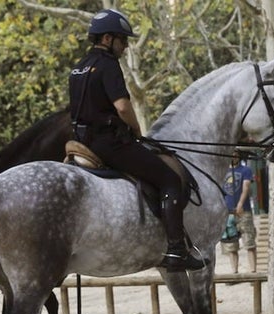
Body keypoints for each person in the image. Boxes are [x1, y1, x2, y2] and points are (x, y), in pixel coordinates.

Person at [68, 9, 206, 272]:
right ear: (107, 39)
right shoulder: (108, 65)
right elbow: (121, 106)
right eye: (123, 39)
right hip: (110, 142)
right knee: (170, 180)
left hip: (82, 140)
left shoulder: (78, 68)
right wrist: (136, 129)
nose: (126, 45)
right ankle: (177, 249)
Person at [221, 150, 257, 273]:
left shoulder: (245, 170)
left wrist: (240, 204)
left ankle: (252, 270)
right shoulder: (223, 171)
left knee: (249, 241)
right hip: (228, 212)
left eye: (235, 155)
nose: (233, 157)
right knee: (231, 244)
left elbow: (246, 187)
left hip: (243, 210)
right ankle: (234, 271)